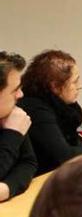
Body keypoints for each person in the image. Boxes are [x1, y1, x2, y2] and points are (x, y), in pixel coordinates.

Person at [19, 50, 82, 175]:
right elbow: (63, 156)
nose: (80, 86)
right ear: (55, 86)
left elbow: (71, 140)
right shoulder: (36, 109)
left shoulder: (62, 104)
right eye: (75, 81)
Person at [0, 51, 36, 202]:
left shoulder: (12, 114)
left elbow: (29, 163)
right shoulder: (13, 124)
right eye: (15, 90)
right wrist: (12, 135)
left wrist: (8, 188)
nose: (21, 95)